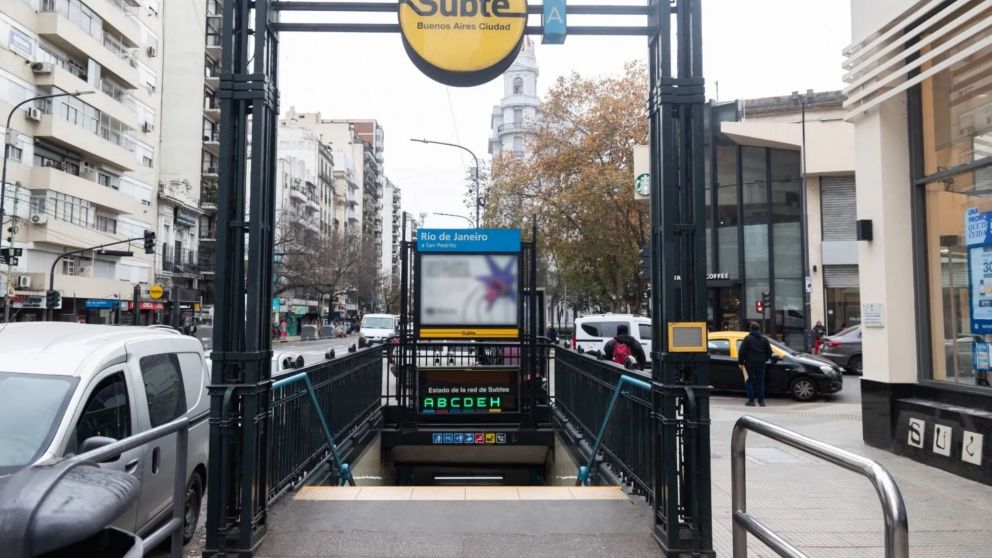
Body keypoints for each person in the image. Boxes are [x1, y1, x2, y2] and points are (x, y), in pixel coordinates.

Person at [738, 321, 773, 406]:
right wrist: (765, 359)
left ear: (750, 329)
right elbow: (769, 352)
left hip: (749, 363)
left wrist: (741, 362)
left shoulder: (747, 338)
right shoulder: (764, 339)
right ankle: (761, 401)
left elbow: (742, 351)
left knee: (749, 381)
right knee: (760, 382)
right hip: (761, 363)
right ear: (759, 329)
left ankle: (751, 401)